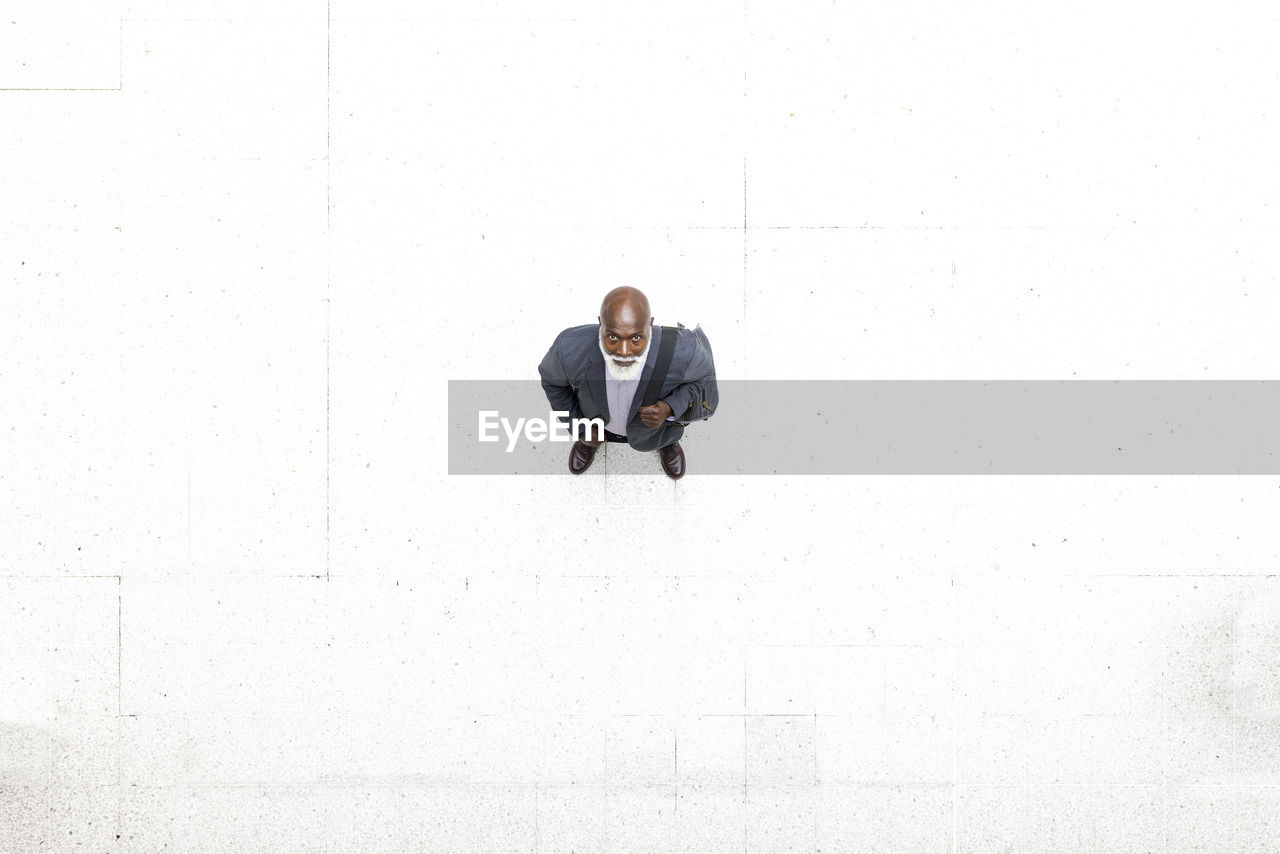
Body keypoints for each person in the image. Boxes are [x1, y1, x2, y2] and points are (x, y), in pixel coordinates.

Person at [538, 286, 715, 479]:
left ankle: (666, 443)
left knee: (662, 437)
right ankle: (588, 443)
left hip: (655, 431)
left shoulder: (683, 350)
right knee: (587, 437)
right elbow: (552, 382)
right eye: (613, 337)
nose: (623, 352)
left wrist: (670, 408)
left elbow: (704, 375)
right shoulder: (568, 347)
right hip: (596, 423)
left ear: (650, 326)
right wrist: (579, 428)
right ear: (600, 325)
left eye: (636, 338)